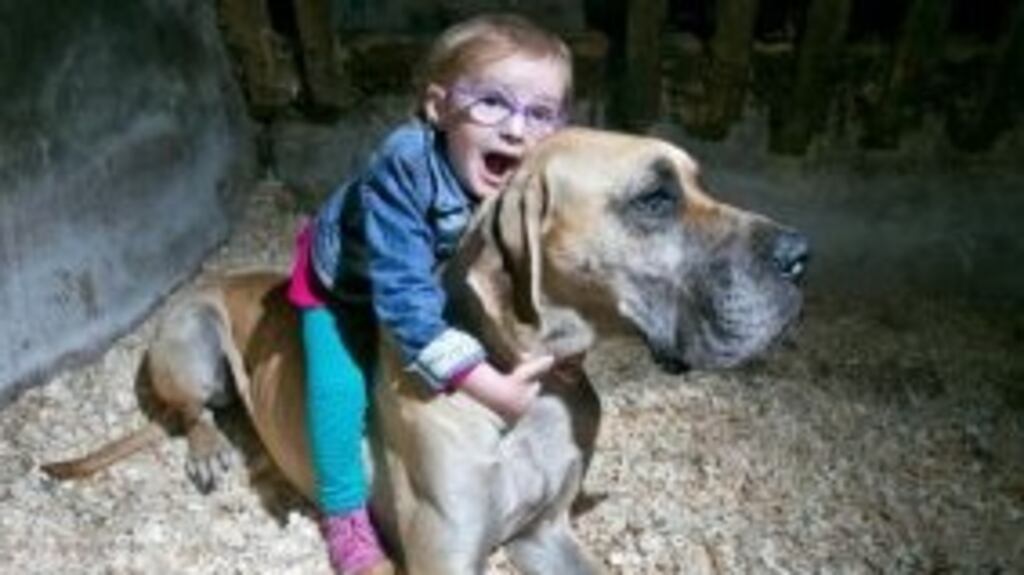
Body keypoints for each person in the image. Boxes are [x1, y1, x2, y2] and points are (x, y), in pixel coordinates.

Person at [286, 13, 574, 575]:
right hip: (347, 286)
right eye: (491, 102)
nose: (516, 131)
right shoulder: (405, 167)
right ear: (438, 107)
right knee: (339, 388)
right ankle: (344, 515)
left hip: (430, 279)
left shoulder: (523, 170)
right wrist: (489, 386)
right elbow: (402, 302)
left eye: (540, 114)